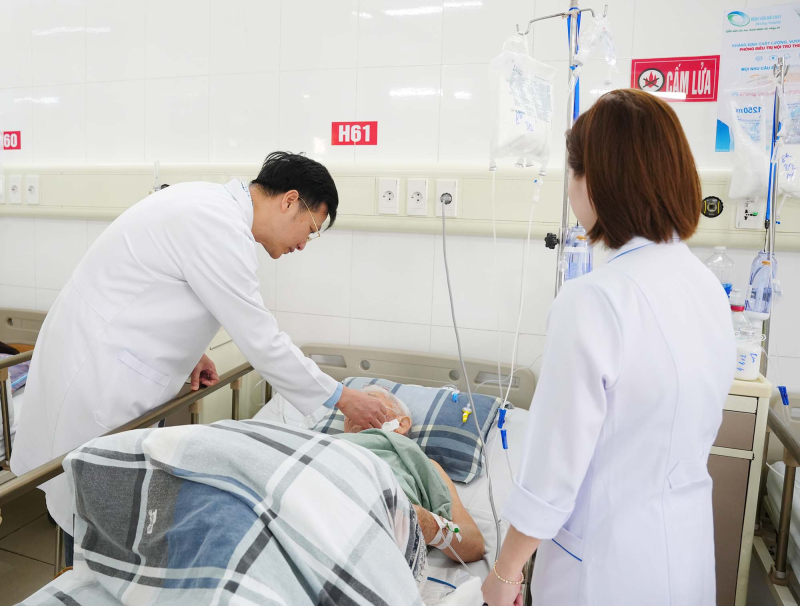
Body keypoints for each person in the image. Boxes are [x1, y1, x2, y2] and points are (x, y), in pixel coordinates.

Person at [11, 151, 389, 566]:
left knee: (95, 507)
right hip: (98, 374)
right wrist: (341, 397)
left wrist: (191, 351)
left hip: (105, 358)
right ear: (289, 201)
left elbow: (156, 289)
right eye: (311, 229)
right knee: (92, 512)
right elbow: (262, 339)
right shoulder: (217, 226)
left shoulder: (208, 205)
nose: (302, 244)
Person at [482, 90, 736, 606]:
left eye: (571, 172)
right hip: (684, 555)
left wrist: (506, 573)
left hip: (605, 570)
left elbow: (552, 471)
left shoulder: (594, 300)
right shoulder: (704, 285)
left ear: (593, 181)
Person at [339, 386, 485, 564]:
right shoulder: (327, 443)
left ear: (401, 424)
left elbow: (474, 545)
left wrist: (430, 526)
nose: (355, 409)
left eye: (369, 398)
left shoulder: (422, 464)